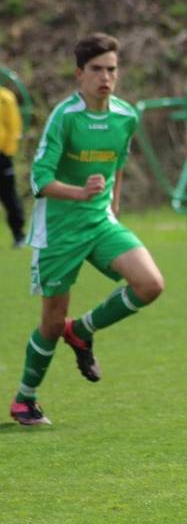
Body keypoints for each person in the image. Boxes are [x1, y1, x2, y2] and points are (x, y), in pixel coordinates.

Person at [9, 33, 164, 425]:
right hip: (59, 230)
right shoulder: (66, 117)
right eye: (96, 69)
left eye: (111, 69)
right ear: (80, 75)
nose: (105, 77)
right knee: (50, 322)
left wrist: (112, 209)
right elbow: (39, 180)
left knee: (150, 284)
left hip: (100, 223)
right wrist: (80, 193)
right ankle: (25, 399)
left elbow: (117, 166)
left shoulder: (126, 116)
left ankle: (82, 330)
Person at [0, 84, 25, 247]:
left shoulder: (5, 97)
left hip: (2, 156)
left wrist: (7, 152)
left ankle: (19, 235)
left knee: (9, 196)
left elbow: (14, 126)